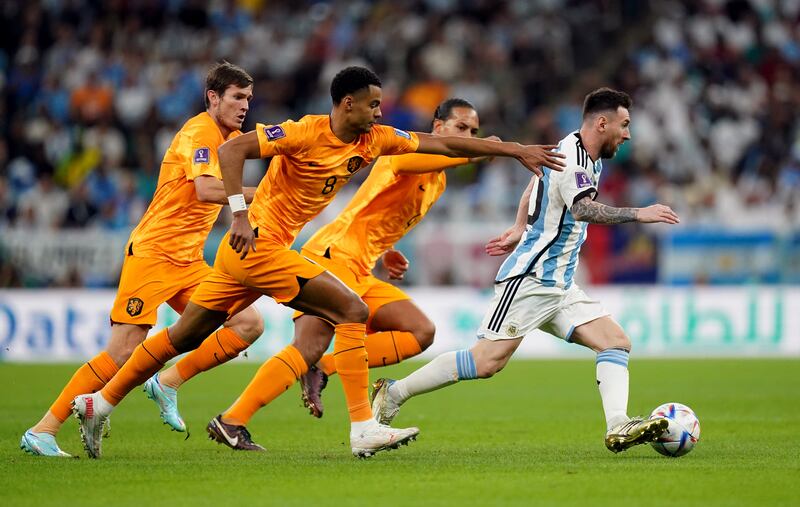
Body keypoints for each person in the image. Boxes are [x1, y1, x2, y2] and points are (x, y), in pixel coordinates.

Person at [71, 66, 566, 459]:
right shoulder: (303, 132)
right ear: (347, 103)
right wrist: (239, 215)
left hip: (250, 256)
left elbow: (442, 143)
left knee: (183, 336)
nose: (378, 112)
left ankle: (100, 403)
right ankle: (362, 427)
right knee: (349, 310)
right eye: (372, 104)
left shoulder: (373, 141)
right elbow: (237, 149)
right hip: (258, 245)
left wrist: (514, 150)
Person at [371, 87, 681, 454]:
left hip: (561, 284)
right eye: (624, 124)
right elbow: (583, 210)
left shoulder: (580, 151)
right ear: (603, 122)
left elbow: (536, 179)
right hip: (531, 279)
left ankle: (618, 425)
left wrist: (520, 225)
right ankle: (393, 392)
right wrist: (638, 213)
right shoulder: (575, 158)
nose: (627, 134)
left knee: (615, 342)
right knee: (485, 361)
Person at [20, 62, 264, 457]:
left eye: (248, 98)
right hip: (154, 254)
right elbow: (204, 189)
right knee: (122, 351)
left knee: (248, 322)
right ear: (213, 97)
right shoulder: (200, 131)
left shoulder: (230, 137)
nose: (244, 105)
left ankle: (166, 382)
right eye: (237, 97)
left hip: (187, 261)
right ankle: (43, 430)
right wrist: (261, 195)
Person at [292, 98, 487, 419]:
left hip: (363, 267)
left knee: (421, 331)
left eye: (474, 131)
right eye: (462, 128)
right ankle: (234, 417)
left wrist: (386, 249)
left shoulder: (438, 181)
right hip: (333, 255)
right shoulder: (406, 146)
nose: (469, 135)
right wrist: (480, 151)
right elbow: (400, 166)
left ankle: (324, 368)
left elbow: (376, 208)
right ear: (438, 128)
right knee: (303, 350)